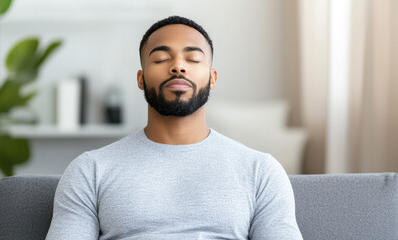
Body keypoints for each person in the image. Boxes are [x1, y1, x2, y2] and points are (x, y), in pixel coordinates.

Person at [46, 16, 303, 240]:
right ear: (141, 78)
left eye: (192, 58)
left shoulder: (261, 171)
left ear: (212, 78)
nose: (178, 66)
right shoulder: (89, 170)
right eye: (160, 59)